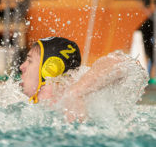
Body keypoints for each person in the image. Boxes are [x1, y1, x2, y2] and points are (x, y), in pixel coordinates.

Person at [19, 37, 148, 122]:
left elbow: (126, 63)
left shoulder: (75, 102)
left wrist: (76, 91)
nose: (21, 66)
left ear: (51, 69)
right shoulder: (29, 109)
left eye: (29, 61)